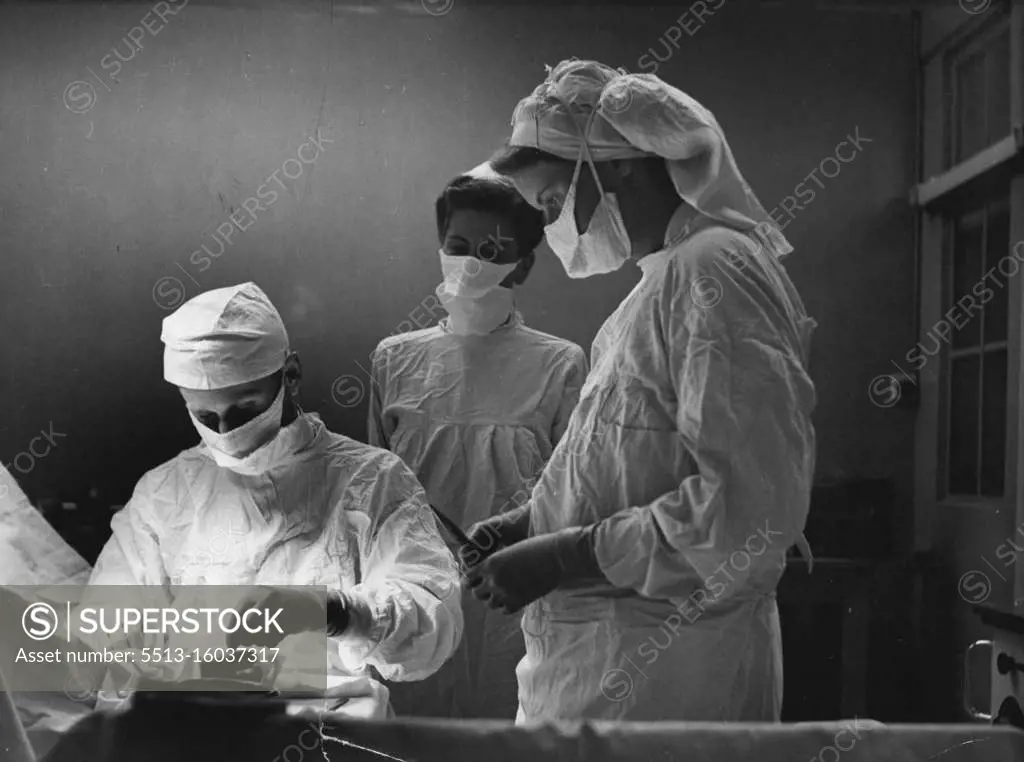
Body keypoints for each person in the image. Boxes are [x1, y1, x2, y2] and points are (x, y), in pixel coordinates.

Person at [464, 59, 817, 723]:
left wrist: (566, 553)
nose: (553, 226)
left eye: (552, 202)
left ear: (619, 165)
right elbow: (628, 464)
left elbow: (748, 512)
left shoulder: (714, 270)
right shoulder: (649, 294)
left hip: (671, 681)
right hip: (602, 677)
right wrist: (532, 523)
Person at [86, 282, 463, 718]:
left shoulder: (370, 480)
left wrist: (335, 611)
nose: (227, 431)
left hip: (330, 735)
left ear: (291, 375)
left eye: (245, 409)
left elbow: (431, 625)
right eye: (206, 417)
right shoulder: (164, 494)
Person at [368, 166, 588, 719]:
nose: (472, 264)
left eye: (492, 250)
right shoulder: (395, 359)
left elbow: (570, 495)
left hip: (513, 600)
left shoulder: (559, 363)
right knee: (411, 734)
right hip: (415, 593)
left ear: (524, 264)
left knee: (504, 732)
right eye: (458, 246)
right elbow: (372, 501)